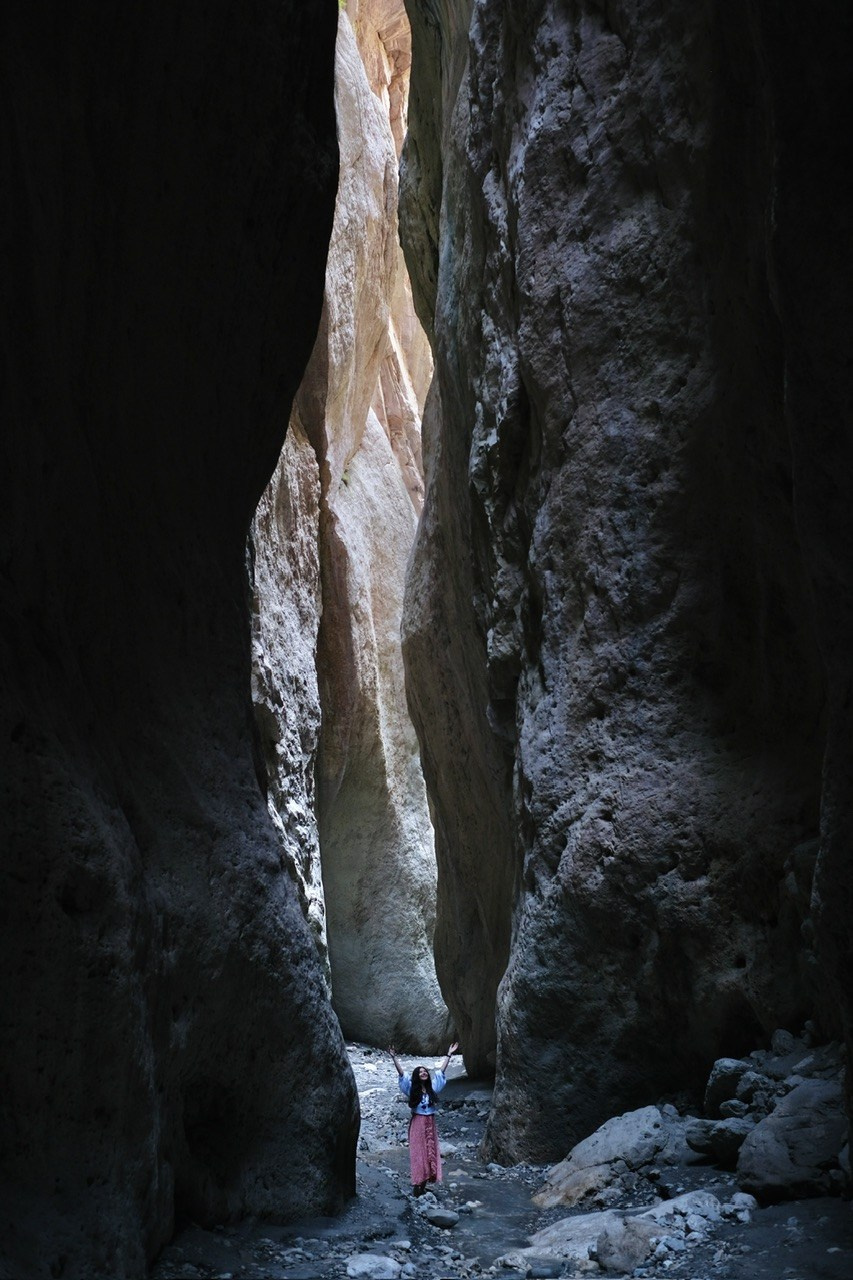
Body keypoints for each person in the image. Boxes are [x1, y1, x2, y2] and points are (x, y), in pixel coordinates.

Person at [389, 1041, 459, 1196]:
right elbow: (402, 1075)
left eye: (425, 1071)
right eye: (420, 1072)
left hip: (430, 1122)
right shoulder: (411, 1090)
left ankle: (424, 1184)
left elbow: (441, 1072)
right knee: (419, 1153)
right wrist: (394, 1058)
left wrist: (449, 1054)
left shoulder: (432, 1088)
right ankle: (417, 1185)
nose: (423, 1073)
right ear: (416, 1075)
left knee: (431, 1152)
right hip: (418, 1123)